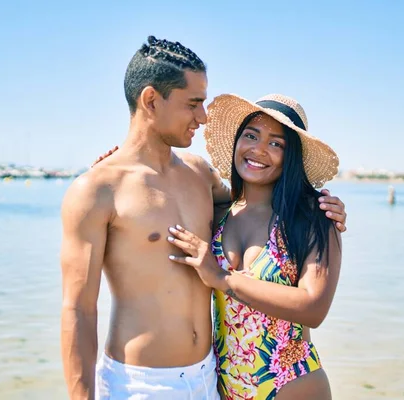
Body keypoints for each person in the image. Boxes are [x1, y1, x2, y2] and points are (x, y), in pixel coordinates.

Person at [60, 36, 347, 400]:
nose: (204, 116)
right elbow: (78, 310)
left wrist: (322, 208)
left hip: (212, 380)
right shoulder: (97, 190)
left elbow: (262, 203)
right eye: (193, 104)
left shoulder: (201, 177)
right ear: (151, 100)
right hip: (142, 384)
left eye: (277, 143)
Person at [167, 94, 342, 399]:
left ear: (291, 158)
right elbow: (154, 187)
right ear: (236, 142)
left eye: (276, 144)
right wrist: (119, 161)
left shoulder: (314, 217)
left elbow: (314, 308)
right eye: (251, 135)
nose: (259, 150)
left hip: (292, 386)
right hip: (225, 387)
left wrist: (222, 278)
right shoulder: (217, 214)